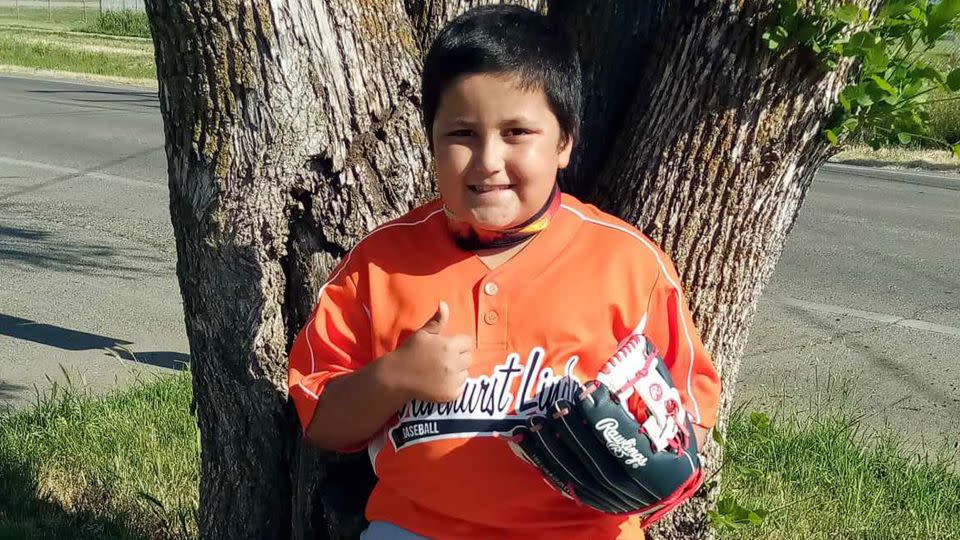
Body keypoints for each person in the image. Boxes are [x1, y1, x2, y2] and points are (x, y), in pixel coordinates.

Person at [287, 5, 721, 539]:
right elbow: (322, 421)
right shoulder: (379, 264)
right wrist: (394, 377)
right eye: (462, 134)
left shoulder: (627, 265)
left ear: (563, 143)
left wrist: (646, 466)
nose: (488, 159)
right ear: (430, 140)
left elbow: (689, 417)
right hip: (419, 527)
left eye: (517, 132)